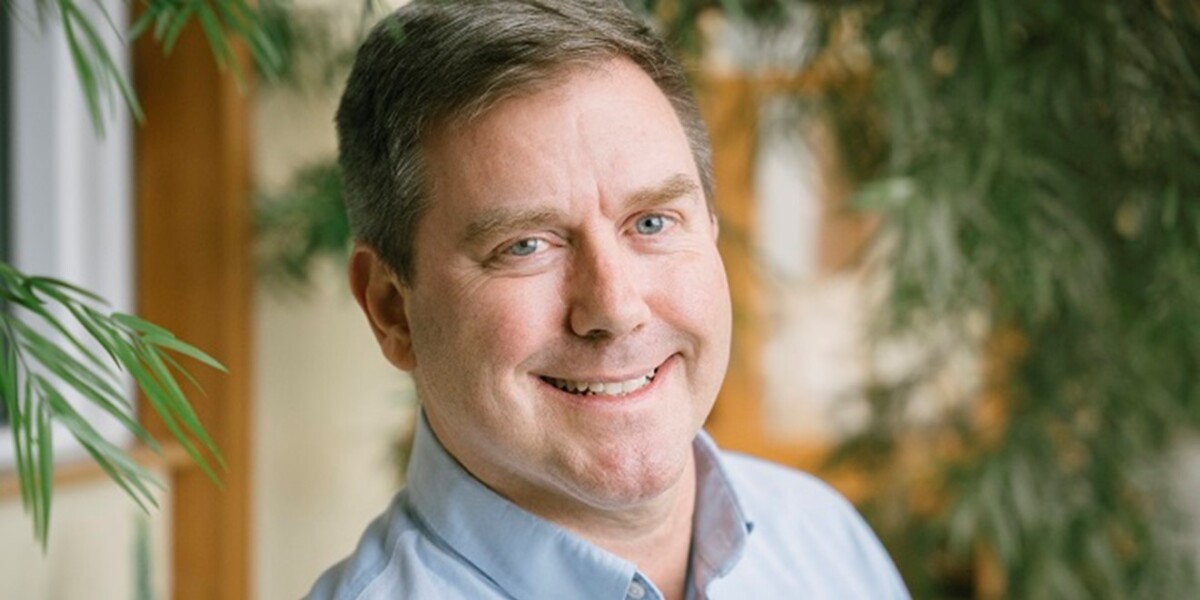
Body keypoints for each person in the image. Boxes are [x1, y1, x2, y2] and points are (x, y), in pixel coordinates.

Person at [308, 1, 909, 598]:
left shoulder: (825, 541)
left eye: (652, 223)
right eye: (526, 245)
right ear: (391, 309)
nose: (616, 308)